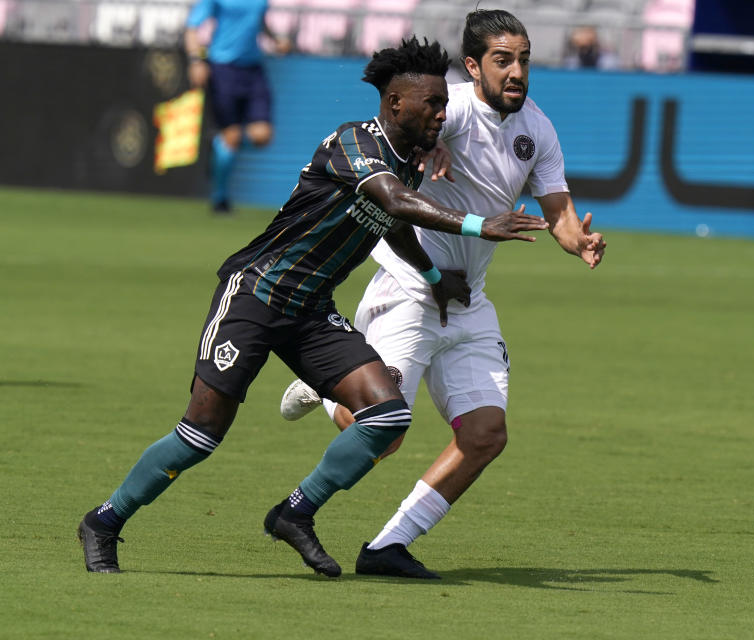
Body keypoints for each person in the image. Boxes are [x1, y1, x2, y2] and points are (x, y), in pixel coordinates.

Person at [76, 36, 550, 576]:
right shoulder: (353, 143)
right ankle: (104, 521)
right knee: (200, 436)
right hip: (255, 295)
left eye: (445, 104)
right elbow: (393, 201)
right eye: (433, 105)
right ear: (396, 104)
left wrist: (435, 276)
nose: (444, 115)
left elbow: (392, 222)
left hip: (309, 310)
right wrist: (478, 223)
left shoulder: (409, 161)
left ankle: (294, 513)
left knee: (388, 416)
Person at [280, 9, 607, 579]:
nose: (516, 72)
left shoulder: (539, 129)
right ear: (474, 66)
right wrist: (424, 148)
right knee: (384, 439)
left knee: (486, 434)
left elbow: (559, 215)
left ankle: (388, 546)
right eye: (503, 60)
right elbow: (392, 141)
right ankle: (327, 385)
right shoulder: (446, 106)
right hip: (411, 285)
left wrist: (577, 240)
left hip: (468, 298)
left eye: (524, 59)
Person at [184, 0, 292, 213]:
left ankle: (219, 146)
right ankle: (220, 198)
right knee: (231, 136)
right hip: (223, 68)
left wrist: (274, 39)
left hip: (253, 70)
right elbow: (192, 27)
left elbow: (257, 21)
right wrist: (196, 60)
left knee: (262, 136)